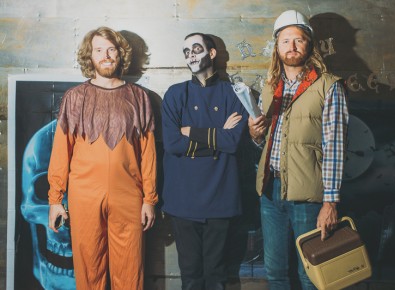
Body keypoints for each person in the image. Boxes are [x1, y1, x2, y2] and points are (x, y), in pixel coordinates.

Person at [47, 26, 158, 290]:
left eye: (111, 49)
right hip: (84, 195)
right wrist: (55, 200)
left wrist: (149, 199)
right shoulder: (75, 98)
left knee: (130, 271)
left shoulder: (139, 97)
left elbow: (149, 153)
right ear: (90, 56)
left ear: (120, 54)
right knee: (88, 270)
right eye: (99, 50)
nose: (105, 55)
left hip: (128, 195)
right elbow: (61, 151)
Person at [248, 10, 349, 290]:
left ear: (309, 44)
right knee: (276, 272)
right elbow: (266, 142)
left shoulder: (329, 87)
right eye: (285, 41)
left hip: (309, 198)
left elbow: (336, 148)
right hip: (270, 193)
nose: (291, 46)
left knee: (312, 273)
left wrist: (330, 203)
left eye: (299, 40)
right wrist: (255, 136)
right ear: (277, 47)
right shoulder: (270, 88)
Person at [161, 32, 248, 290]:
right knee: (190, 276)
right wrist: (217, 136)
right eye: (186, 51)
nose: (191, 55)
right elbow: (172, 143)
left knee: (217, 276)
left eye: (196, 49)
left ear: (211, 54)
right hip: (182, 198)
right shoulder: (175, 94)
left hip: (221, 197)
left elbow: (232, 142)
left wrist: (191, 132)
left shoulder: (234, 93)